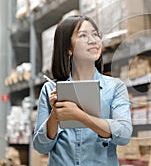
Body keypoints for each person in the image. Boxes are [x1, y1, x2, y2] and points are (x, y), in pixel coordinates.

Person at [33, 15, 132, 165]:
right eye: (83, 35)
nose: (93, 40)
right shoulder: (50, 89)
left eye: (95, 34)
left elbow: (124, 134)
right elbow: (41, 146)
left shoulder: (115, 88)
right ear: (68, 49)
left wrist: (80, 116)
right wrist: (55, 114)